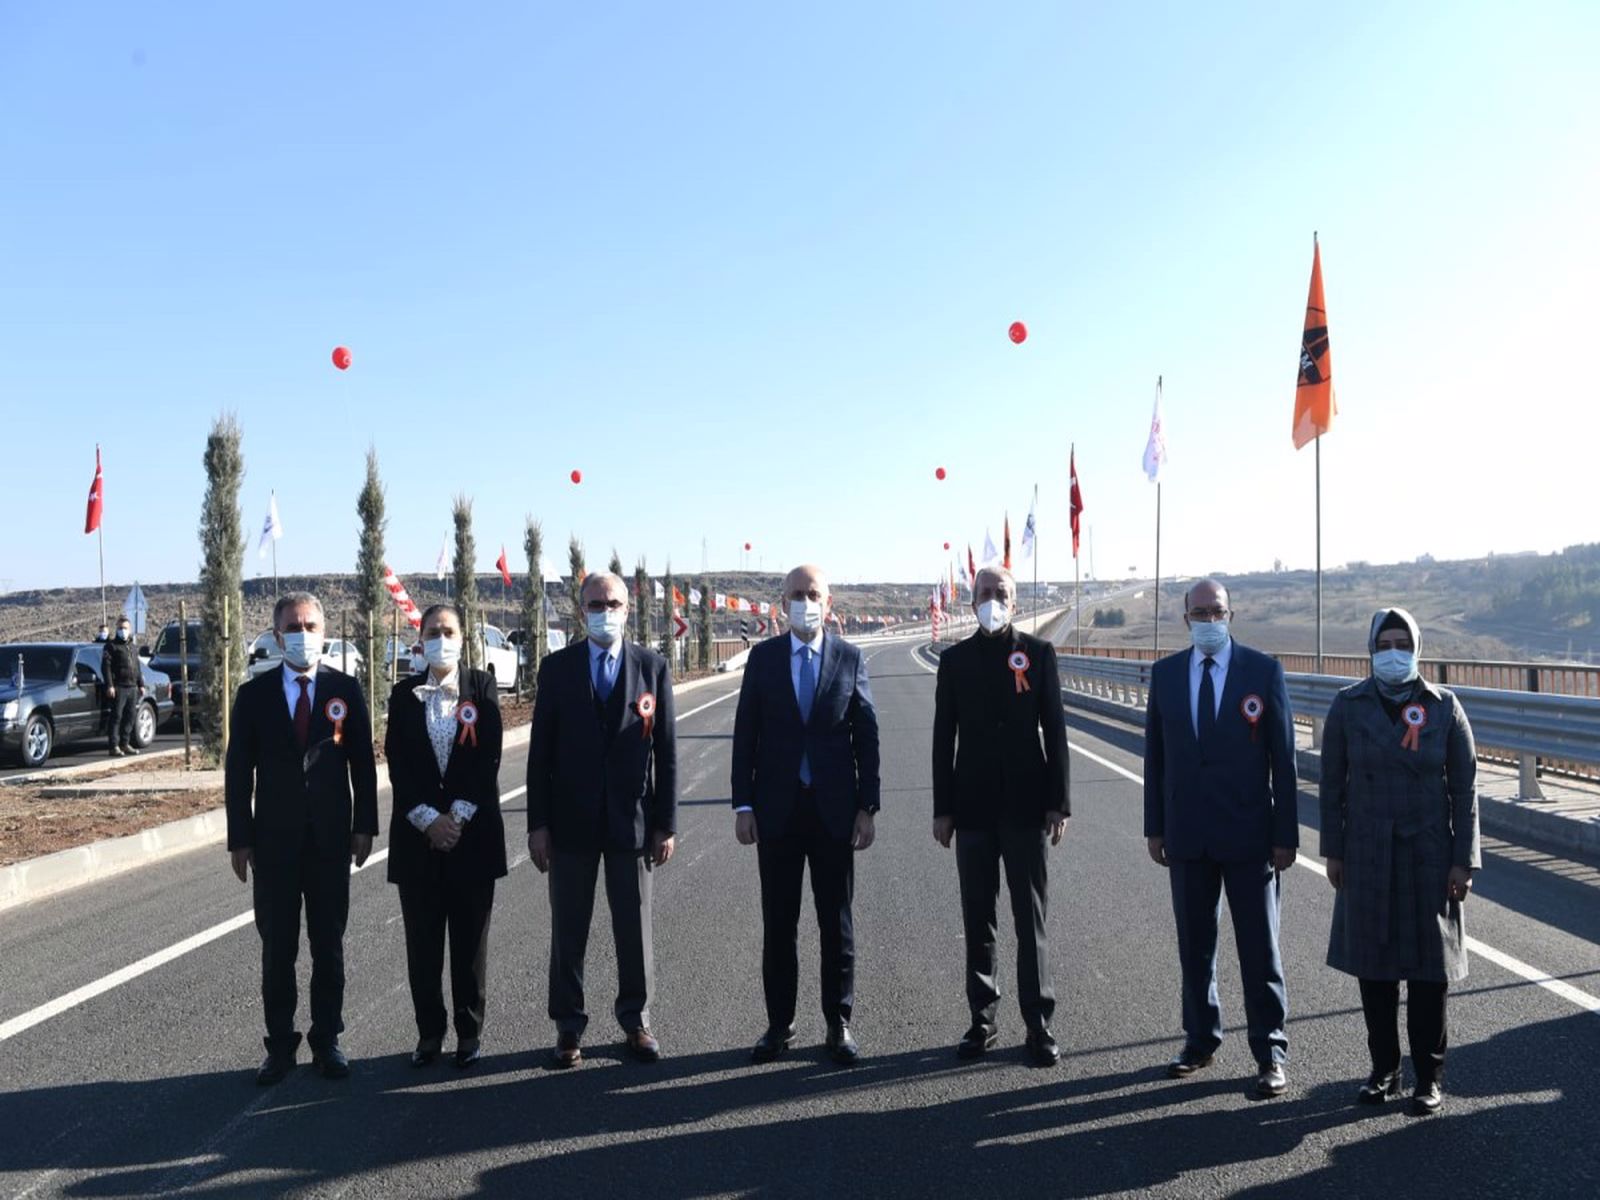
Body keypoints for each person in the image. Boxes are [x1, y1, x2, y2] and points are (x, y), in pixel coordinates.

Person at [1320, 607, 1480, 1115]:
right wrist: (1335, 851)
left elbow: (1465, 789)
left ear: (1417, 648)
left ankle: (1428, 1077)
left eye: (1402, 644)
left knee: (1429, 974)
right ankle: (1383, 1070)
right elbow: (1330, 788)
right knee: (1377, 971)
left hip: (1429, 856)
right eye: (1385, 643)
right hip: (1367, 855)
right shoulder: (1347, 706)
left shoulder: (1445, 706)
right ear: (1371, 649)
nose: (1394, 653)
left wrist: (1464, 861)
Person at [1143, 578, 1297, 1098]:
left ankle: (1270, 1050)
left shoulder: (1262, 671)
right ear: (1185, 618)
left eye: (1218, 611)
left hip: (1250, 836)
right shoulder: (1165, 676)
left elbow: (1284, 760)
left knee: (1260, 950)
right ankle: (1200, 1039)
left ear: (1232, 614)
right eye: (1200, 612)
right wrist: (1155, 828)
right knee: (1195, 948)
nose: (1210, 620)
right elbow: (1156, 758)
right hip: (1187, 836)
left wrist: (1285, 834)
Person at [224, 591, 378, 1085]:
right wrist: (239, 839)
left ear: (325, 632)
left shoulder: (345, 690)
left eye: (312, 626)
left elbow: (363, 766)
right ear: (275, 636)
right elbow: (237, 773)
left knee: (328, 945)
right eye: (294, 626)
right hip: (274, 845)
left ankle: (327, 1038)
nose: (304, 634)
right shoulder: (253, 696)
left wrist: (363, 827)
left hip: (331, 842)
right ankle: (279, 1045)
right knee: (278, 950)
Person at [527, 571, 677, 1068]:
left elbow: (667, 753)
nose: (604, 611)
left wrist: (665, 823)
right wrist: (538, 825)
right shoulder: (557, 669)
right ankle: (568, 1028)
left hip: (631, 826)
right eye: (594, 604)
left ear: (627, 608)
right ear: (580, 610)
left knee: (634, 930)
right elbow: (539, 756)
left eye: (612, 603)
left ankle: (636, 1020)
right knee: (569, 931)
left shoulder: (651, 667)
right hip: (570, 826)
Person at [731, 563, 880, 1065]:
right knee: (779, 923)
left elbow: (867, 736)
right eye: (795, 593)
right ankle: (779, 1024)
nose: (804, 601)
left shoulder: (849, 658)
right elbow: (745, 735)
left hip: (834, 811)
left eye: (812, 593)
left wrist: (868, 806)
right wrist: (743, 804)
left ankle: (838, 1023)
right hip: (776, 811)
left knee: (835, 922)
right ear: (781, 603)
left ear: (828, 602)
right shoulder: (763, 660)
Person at [932, 566, 1070, 1065]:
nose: (994, 599)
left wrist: (1059, 802)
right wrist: (942, 809)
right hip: (971, 810)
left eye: (1002, 593)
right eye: (986, 593)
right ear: (972, 602)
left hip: (1027, 808)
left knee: (1029, 920)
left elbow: (1054, 730)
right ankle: (982, 1019)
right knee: (978, 919)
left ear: (1015, 601)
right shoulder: (954, 661)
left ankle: (1039, 1024)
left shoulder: (1037, 654)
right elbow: (942, 738)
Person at [385, 602, 507, 1070]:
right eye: (433, 631)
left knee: (470, 945)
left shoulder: (481, 686)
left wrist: (455, 817)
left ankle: (469, 1032)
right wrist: (427, 820)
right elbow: (398, 762)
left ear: (462, 637)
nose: (441, 638)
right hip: (419, 841)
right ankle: (429, 1034)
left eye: (449, 630)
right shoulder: (403, 695)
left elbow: (487, 757)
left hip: (471, 839)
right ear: (421, 639)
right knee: (423, 945)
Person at [101, 615, 144, 757]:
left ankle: (125, 744)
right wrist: (110, 685)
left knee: (130, 716)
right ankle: (114, 746)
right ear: (116, 629)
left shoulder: (132, 646)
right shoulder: (111, 646)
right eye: (120, 628)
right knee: (117, 716)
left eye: (125, 628)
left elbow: (137, 666)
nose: (122, 631)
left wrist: (141, 684)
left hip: (132, 687)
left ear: (130, 629)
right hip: (119, 687)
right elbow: (106, 667)